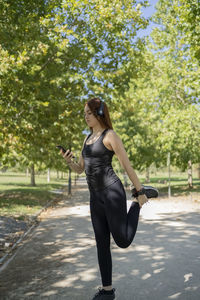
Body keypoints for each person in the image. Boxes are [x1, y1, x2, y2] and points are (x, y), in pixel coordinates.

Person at [60, 98, 148, 300]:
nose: (86, 117)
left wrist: (139, 190)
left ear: (99, 113)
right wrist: (69, 161)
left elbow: (126, 165)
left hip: (111, 193)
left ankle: (136, 203)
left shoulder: (110, 136)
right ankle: (107, 291)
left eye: (89, 113)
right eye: (84, 114)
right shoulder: (87, 139)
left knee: (123, 241)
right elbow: (80, 169)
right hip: (95, 197)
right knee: (101, 244)